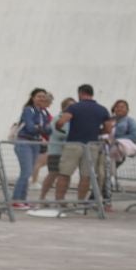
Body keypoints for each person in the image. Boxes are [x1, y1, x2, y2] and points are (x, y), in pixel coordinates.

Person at [42, 83, 110, 212]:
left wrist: (58, 127)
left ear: (80, 93)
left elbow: (62, 122)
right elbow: (108, 127)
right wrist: (98, 132)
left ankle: (60, 202)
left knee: (64, 174)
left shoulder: (74, 107)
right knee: (86, 176)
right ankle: (80, 203)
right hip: (92, 146)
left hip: (73, 144)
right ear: (92, 93)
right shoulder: (102, 109)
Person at [10, 88, 53, 207]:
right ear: (32, 97)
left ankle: (23, 198)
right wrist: (41, 128)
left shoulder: (43, 112)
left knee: (28, 172)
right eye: (39, 96)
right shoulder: (28, 110)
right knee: (26, 171)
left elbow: (49, 129)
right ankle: (16, 199)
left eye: (43, 96)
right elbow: (30, 128)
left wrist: (39, 127)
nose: (42, 99)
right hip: (24, 142)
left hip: (35, 144)